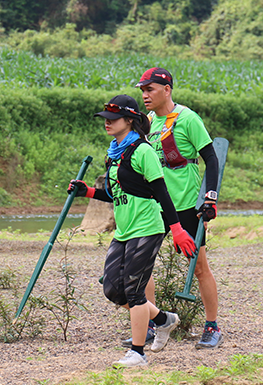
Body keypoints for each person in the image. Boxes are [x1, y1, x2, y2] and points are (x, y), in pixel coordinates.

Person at [68, 94, 196, 368]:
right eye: (105, 119)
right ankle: (163, 320)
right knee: (114, 289)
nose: (107, 123)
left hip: (148, 228)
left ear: (129, 120)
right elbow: (117, 194)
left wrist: (177, 230)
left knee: (135, 293)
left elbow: (162, 193)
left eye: (113, 119)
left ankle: (138, 353)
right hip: (125, 230)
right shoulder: (115, 153)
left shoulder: (143, 151)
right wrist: (88, 191)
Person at [136, 67, 224, 350]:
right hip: (155, 205)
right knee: (143, 267)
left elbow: (211, 158)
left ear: (167, 90)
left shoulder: (188, 119)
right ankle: (150, 325)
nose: (145, 95)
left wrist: (210, 198)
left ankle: (212, 327)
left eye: (150, 89)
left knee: (198, 268)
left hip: (185, 205)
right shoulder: (147, 122)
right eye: (142, 90)